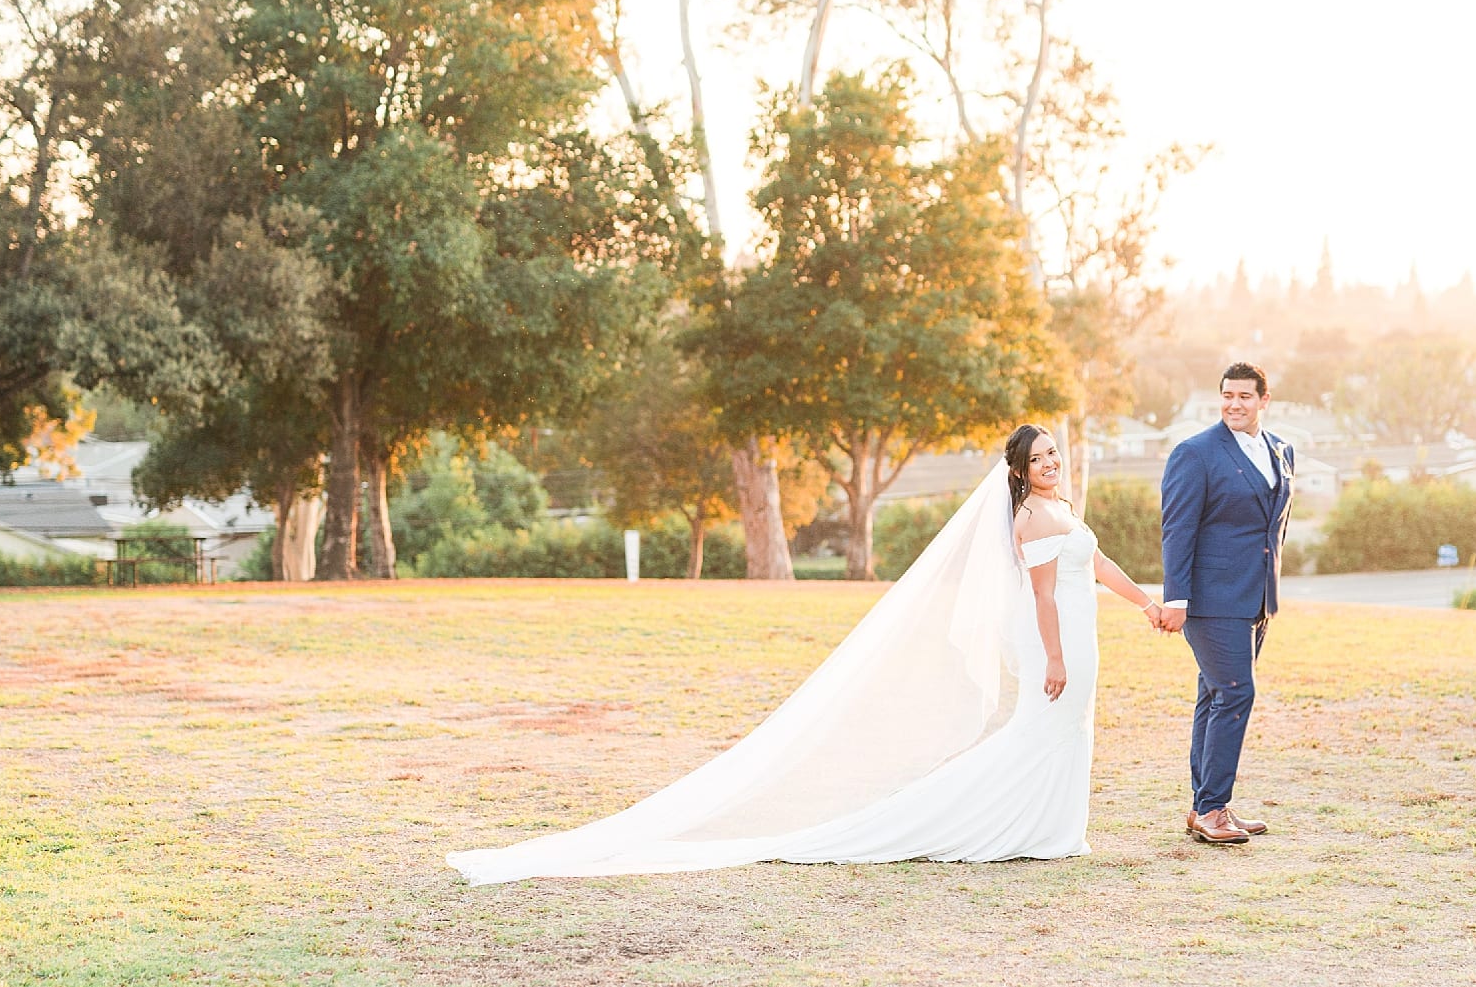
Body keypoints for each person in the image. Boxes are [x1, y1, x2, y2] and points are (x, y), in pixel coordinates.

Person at [446, 424, 1165, 884]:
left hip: (1085, 637)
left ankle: (1054, 829)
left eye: (1053, 455)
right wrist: (1056, 656)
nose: (1048, 464)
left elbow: (1100, 569)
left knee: (1067, 735)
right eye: (1036, 458)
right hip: (1059, 643)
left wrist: (1149, 605)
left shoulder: (1067, 511)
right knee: (1040, 732)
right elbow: (1043, 596)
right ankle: (995, 825)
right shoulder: (1034, 516)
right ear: (1018, 470)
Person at [1156, 362, 1296, 845]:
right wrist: (1175, 598)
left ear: (1263, 400)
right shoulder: (1195, 454)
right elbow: (1177, 529)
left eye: (1244, 396)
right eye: (1227, 396)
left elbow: (1273, 525)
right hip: (1210, 598)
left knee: (1215, 696)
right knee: (1236, 693)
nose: (1234, 404)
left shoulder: (1282, 450)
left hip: (1255, 596)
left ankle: (1206, 807)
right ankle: (1213, 806)